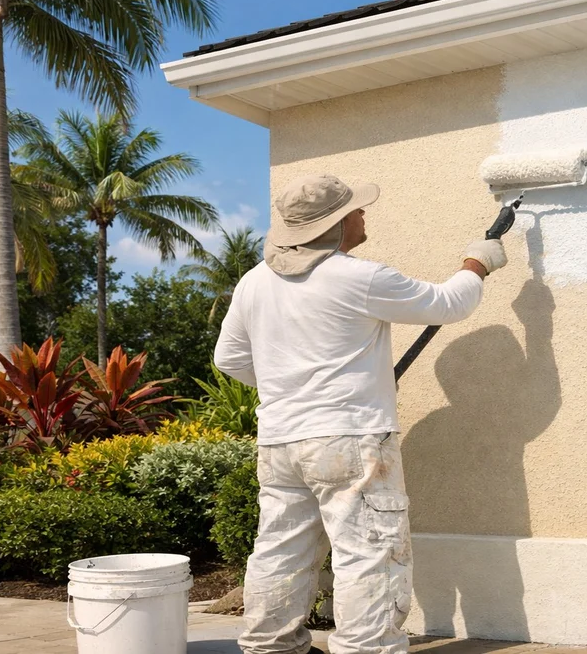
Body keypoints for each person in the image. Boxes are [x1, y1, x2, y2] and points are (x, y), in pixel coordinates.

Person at [213, 174, 508, 654]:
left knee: (281, 549)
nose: (362, 214)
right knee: (370, 554)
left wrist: (293, 387)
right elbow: (449, 303)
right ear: (333, 225)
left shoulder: (255, 281)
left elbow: (229, 359)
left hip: (281, 443)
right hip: (350, 440)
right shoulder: (359, 276)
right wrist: (477, 263)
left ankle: (271, 647)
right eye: (354, 210)